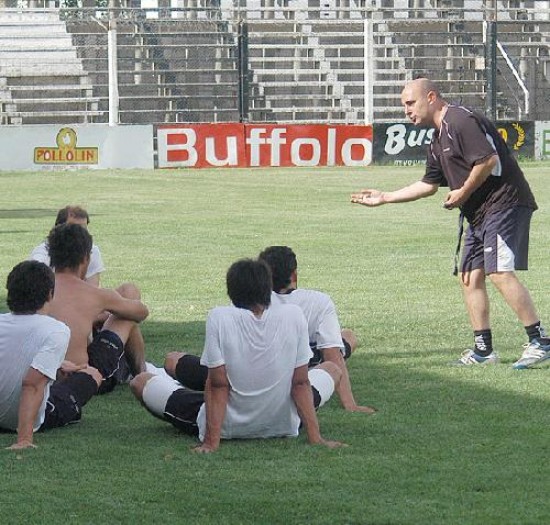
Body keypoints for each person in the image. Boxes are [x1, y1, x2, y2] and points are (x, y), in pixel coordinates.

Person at [351, 77, 549, 369]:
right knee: (469, 275)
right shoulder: (436, 138)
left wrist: (463, 191)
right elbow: (428, 185)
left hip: (505, 203)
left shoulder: (458, 119)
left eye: (410, 103)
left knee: (499, 272)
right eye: (403, 105)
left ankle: (539, 341)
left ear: (431, 97)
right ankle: (483, 351)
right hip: (479, 214)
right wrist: (385, 197)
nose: (406, 110)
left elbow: (488, 160)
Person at [130, 258, 345, 453]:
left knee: (141, 381)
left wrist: (211, 442)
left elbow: (218, 385)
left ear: (231, 292)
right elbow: (300, 383)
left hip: (229, 423)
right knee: (332, 369)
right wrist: (316, 438)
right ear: (267, 289)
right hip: (284, 422)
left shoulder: (220, 317)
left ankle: (176, 387)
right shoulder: (294, 315)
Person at [258, 245, 376, 413]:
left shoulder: (251, 302)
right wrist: (350, 404)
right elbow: (332, 354)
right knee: (337, 354)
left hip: (263, 371)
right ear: (293, 274)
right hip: (303, 372)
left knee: (347, 336)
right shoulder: (318, 301)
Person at [0, 261, 101, 450]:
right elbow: (31, 384)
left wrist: (56, 364)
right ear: (49, 294)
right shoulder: (55, 330)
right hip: (21, 418)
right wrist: (24, 439)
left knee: (56, 372)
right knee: (92, 375)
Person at [47, 223, 149, 393]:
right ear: (85, 259)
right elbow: (141, 312)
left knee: (127, 292)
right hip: (85, 376)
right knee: (127, 312)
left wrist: (94, 315)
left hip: (42, 371)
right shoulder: (93, 294)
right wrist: (104, 313)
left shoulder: (40, 287)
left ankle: (140, 372)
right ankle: (141, 373)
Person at [30, 205, 105, 287]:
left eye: (84, 230)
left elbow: (93, 287)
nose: (82, 235)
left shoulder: (92, 251)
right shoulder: (41, 255)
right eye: (75, 229)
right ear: (59, 230)